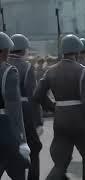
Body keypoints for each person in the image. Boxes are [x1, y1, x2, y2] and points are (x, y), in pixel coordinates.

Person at [33, 34, 85, 179]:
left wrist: (54, 107)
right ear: (78, 51)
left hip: (60, 119)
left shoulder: (51, 70)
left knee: (60, 164)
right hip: (79, 121)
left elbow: (37, 95)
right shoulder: (83, 70)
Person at [9, 34, 43, 180]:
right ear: (23, 50)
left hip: (6, 113)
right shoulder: (27, 66)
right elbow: (33, 96)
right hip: (25, 112)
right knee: (34, 148)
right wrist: (39, 121)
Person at [0, 31, 31, 180]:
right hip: (5, 129)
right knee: (18, 171)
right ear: (5, 51)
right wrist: (22, 140)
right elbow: (14, 109)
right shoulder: (9, 71)